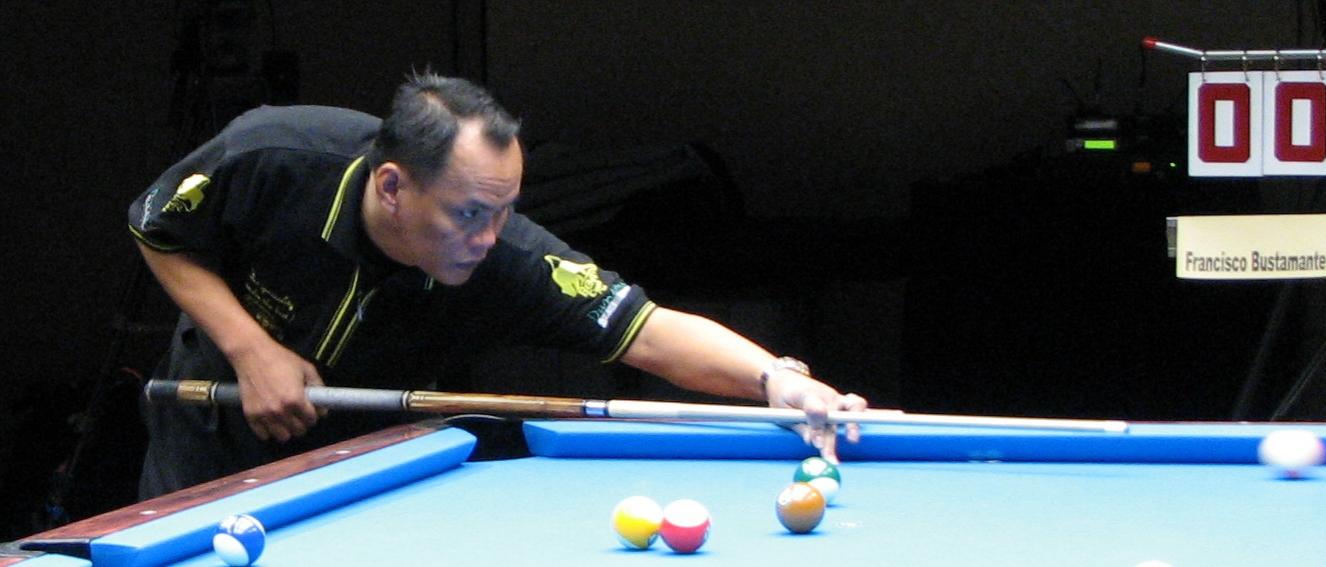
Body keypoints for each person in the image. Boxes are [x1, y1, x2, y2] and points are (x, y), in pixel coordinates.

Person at [127, 72, 868, 499]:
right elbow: (157, 230)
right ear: (393, 186)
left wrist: (776, 379)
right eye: (469, 214)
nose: (488, 237)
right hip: (209, 426)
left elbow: (648, 330)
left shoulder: (505, 260)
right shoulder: (273, 155)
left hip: (358, 464)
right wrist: (250, 348)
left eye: (505, 210)